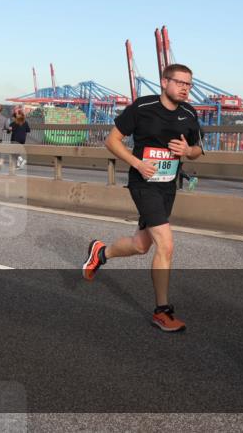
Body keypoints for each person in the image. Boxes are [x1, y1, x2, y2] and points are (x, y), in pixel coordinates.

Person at [84, 63, 204, 332]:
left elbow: (198, 150)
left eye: (189, 84)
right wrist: (137, 163)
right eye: (180, 82)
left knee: (141, 245)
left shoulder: (189, 113)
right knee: (166, 244)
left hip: (168, 186)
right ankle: (162, 311)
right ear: (164, 82)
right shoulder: (142, 107)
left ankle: (101, 253)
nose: (185, 88)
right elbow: (112, 141)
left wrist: (188, 150)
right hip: (143, 184)